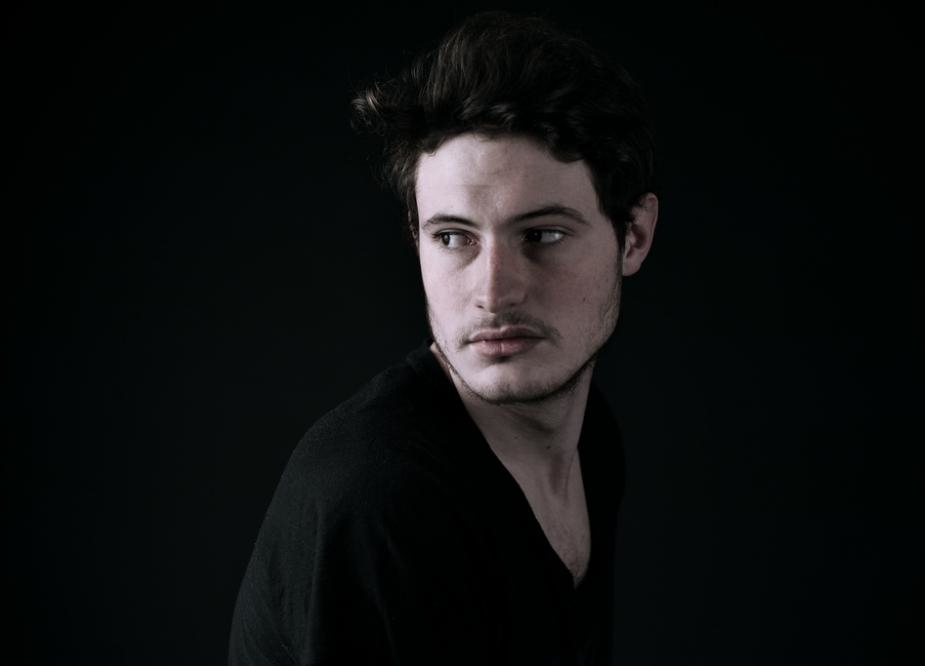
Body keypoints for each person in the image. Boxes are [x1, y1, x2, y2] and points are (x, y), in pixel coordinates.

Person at [229, 10, 657, 665]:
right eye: (454, 237)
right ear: (416, 238)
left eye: (542, 235)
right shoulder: (377, 497)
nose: (493, 292)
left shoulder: (590, 441)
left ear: (634, 236)